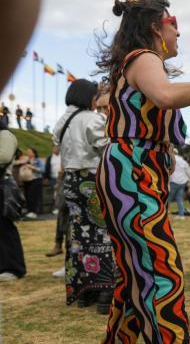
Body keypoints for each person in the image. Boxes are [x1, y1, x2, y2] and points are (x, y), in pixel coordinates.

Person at [94, 0, 190, 343]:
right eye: (174, 25)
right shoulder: (144, 57)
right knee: (160, 272)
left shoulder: (139, 62)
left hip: (136, 168)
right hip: (133, 168)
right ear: (156, 27)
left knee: (137, 273)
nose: (178, 34)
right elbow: (165, 96)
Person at [53, 79, 114, 313]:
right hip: (92, 180)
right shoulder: (93, 118)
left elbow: (57, 147)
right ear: (89, 96)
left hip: (71, 181)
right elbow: (106, 147)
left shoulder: (63, 120)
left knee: (79, 235)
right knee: (102, 232)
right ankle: (106, 292)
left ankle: (86, 291)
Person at [0, 121, 26, 282]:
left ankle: (14, 268)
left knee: (5, 227)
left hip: (3, 188)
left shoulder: (6, 135)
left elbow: (4, 156)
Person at [15, 147, 43, 219]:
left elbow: (42, 170)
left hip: (36, 179)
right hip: (26, 180)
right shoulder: (26, 160)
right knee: (27, 196)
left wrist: (32, 167)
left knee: (33, 196)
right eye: (27, 151)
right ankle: (29, 210)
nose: (28, 153)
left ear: (34, 153)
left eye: (30, 152)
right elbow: (16, 163)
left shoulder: (38, 160)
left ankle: (34, 212)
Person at [169, 149, 189, 220]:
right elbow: (187, 169)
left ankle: (163, 215)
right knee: (179, 199)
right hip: (182, 181)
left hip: (174, 181)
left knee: (168, 199)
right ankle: (181, 215)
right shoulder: (183, 161)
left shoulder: (171, 158)